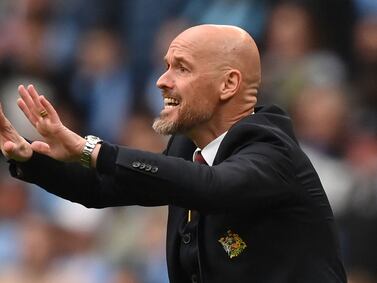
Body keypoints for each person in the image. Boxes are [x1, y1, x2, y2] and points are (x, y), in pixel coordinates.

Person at [0, 24, 347, 283]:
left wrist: (91, 149)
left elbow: (211, 186)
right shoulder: (186, 148)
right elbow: (101, 188)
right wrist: (28, 159)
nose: (161, 81)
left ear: (228, 84)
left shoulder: (273, 151)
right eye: (166, 65)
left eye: (181, 67)